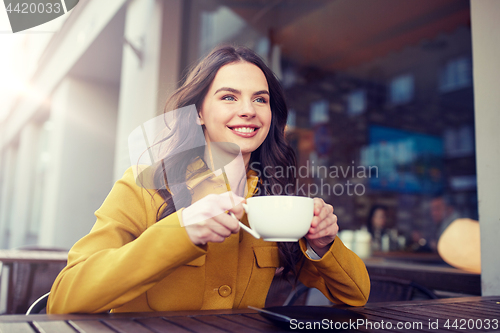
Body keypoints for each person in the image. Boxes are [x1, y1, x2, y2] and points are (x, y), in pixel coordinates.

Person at [47, 45, 370, 314]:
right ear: (198, 112)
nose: (248, 110)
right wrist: (181, 229)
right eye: (229, 97)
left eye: (260, 99)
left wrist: (322, 244)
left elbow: (355, 296)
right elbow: (63, 300)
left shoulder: (276, 200)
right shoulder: (145, 186)